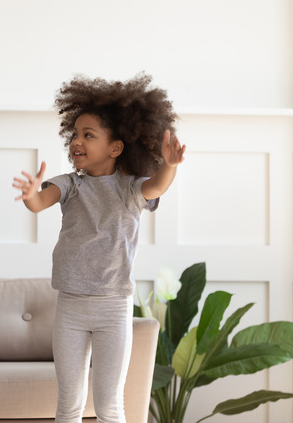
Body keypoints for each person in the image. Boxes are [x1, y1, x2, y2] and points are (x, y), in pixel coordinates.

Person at [12, 74, 185, 423]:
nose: (76, 141)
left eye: (88, 135)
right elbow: (40, 202)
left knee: (109, 405)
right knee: (69, 404)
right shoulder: (70, 185)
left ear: (115, 147)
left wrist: (169, 165)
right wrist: (31, 194)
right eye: (74, 134)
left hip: (113, 309)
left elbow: (157, 187)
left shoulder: (130, 189)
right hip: (71, 307)